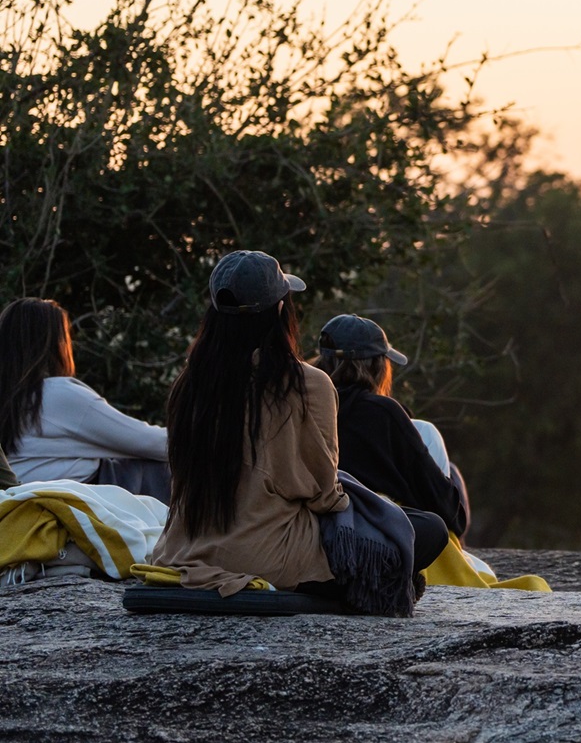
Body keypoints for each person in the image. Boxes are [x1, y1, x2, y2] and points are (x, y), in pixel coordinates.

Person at [147, 251, 447, 603]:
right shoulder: (306, 384)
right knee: (427, 529)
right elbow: (324, 495)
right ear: (278, 310)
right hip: (267, 558)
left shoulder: (189, 384)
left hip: (181, 551)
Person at [316, 314, 470, 539]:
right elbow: (452, 513)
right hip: (376, 536)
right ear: (378, 367)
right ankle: (455, 556)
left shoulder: (303, 404)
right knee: (444, 461)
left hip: (320, 530)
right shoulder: (384, 414)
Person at [0, 298, 171, 500]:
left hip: (17, 505)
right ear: (55, 345)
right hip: (64, 505)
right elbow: (155, 444)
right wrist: (212, 439)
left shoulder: (10, 399)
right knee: (155, 464)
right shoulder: (57, 394)